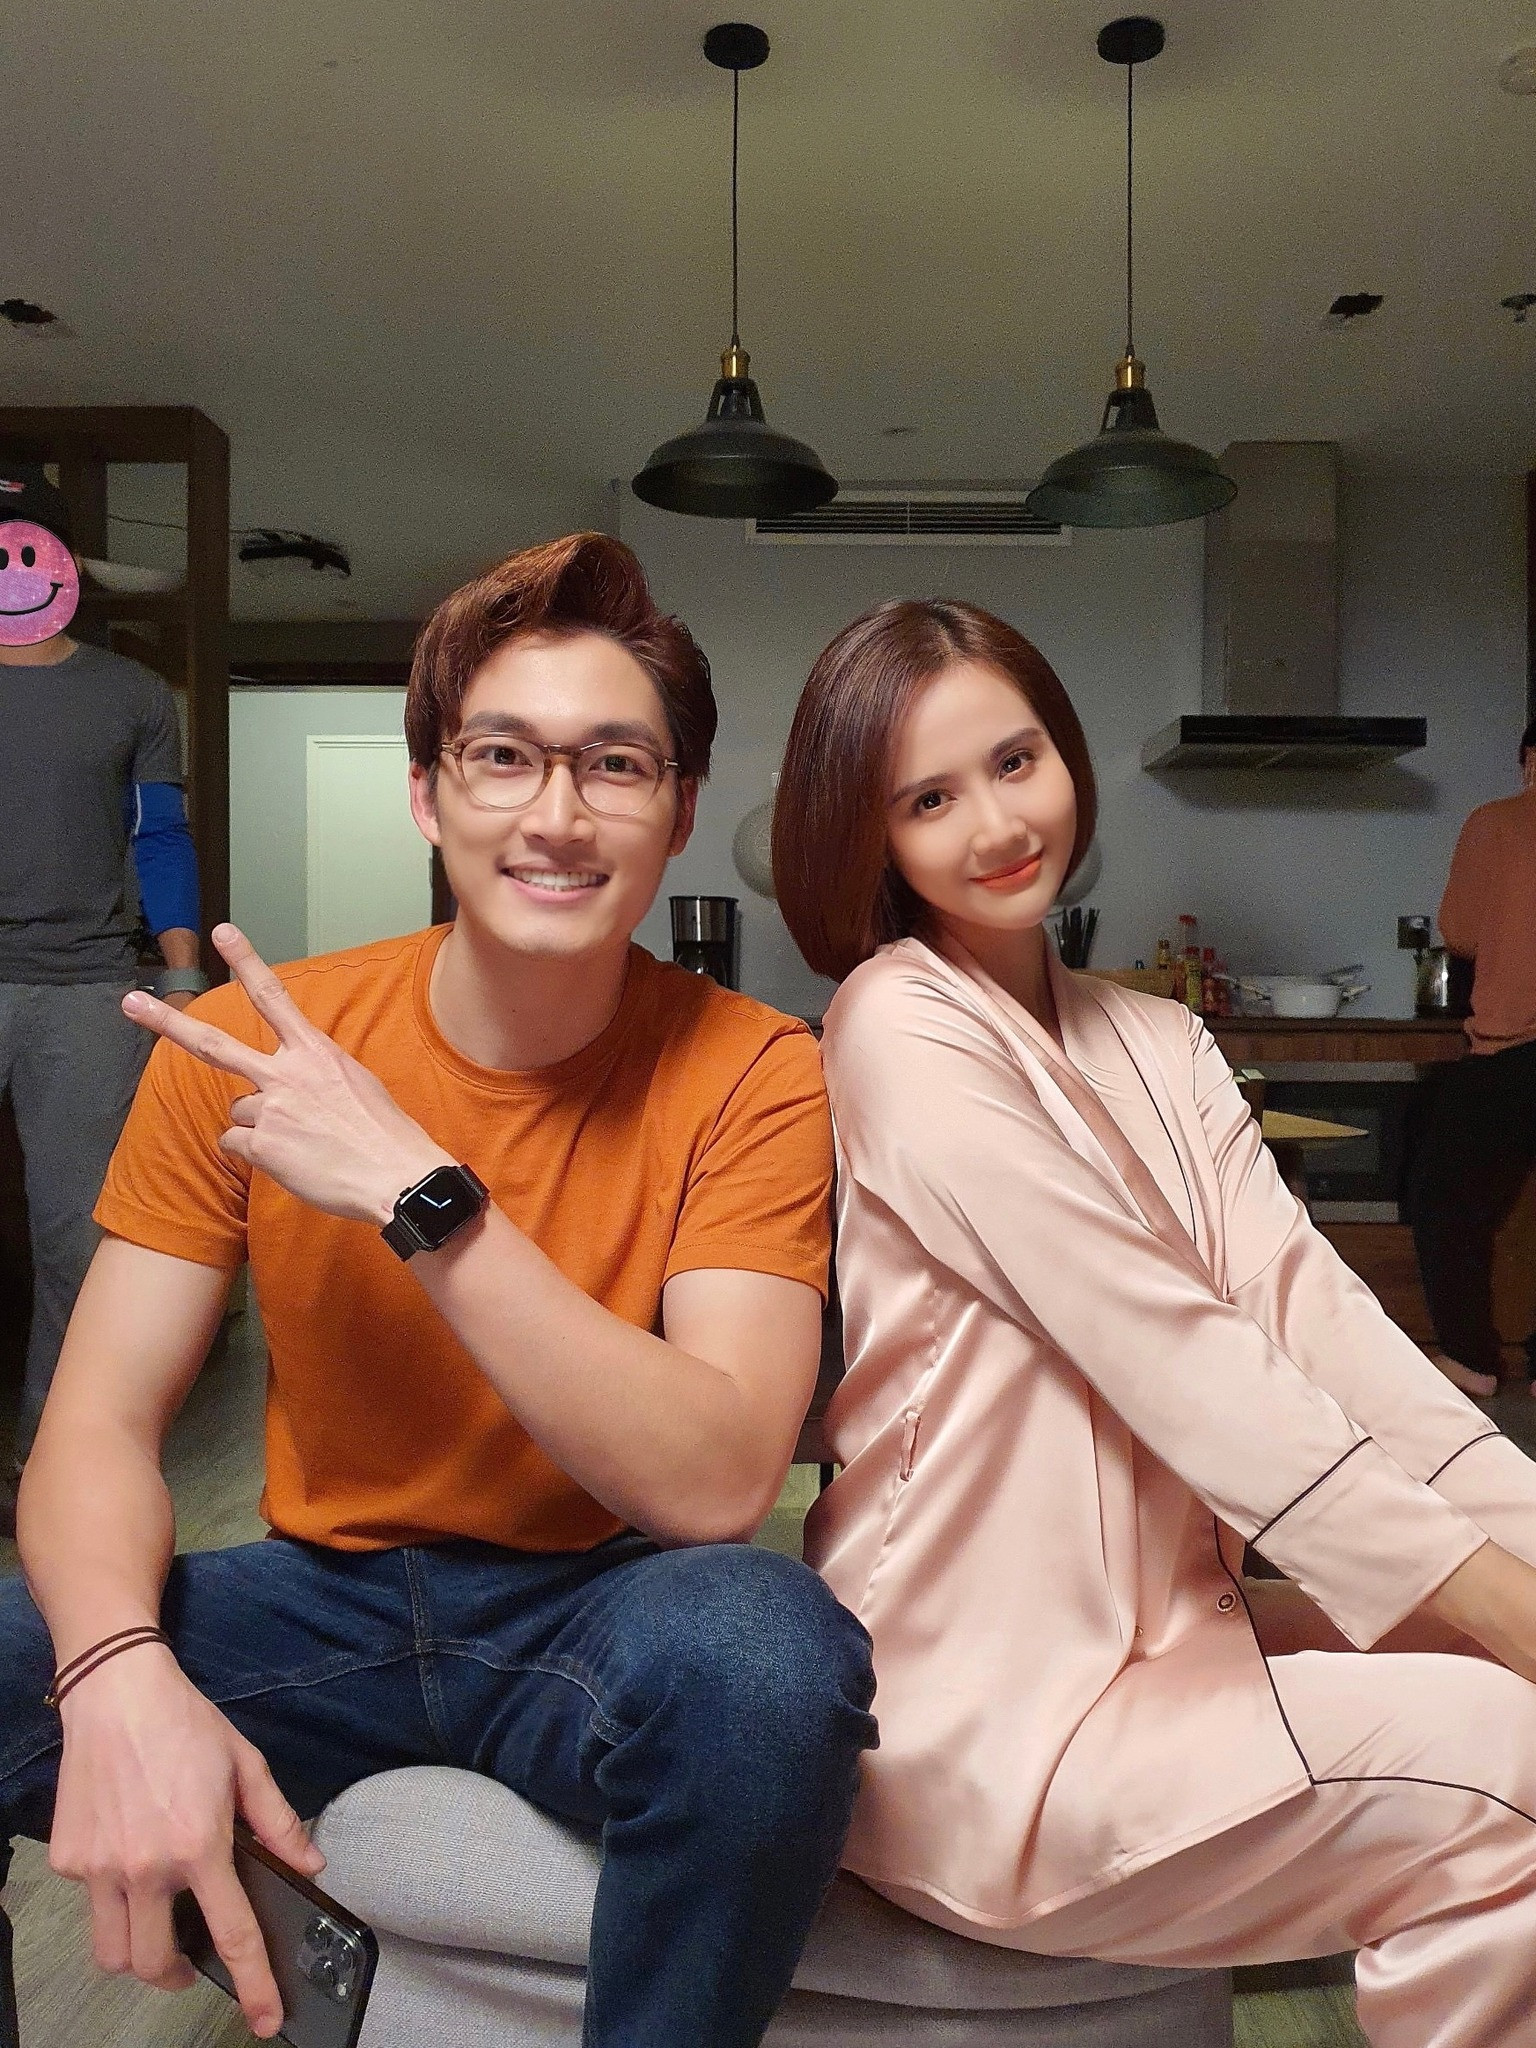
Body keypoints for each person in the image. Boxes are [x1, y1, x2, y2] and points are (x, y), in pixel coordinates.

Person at [0, 533, 876, 2048]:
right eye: (503, 757)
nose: (557, 814)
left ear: (678, 811)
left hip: (601, 1603)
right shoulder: (257, 1051)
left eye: (616, 765)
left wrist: (421, 1194)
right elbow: (95, 1426)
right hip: (321, 1599)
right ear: (428, 793)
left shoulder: (755, 1068)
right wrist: (118, 1667)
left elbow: (721, 1477)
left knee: (764, 1648)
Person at [772, 596, 1536, 2048]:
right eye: (929, 798)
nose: (999, 822)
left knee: (1503, 1667)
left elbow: (1323, 1328)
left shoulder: (1162, 1038)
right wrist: (1502, 1598)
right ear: (868, 836)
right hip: (987, 1723)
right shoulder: (894, 1024)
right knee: (1514, 1760)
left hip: (1177, 1640)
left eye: (1016, 761)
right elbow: (1174, 1357)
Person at [0, 465, 205, 1533]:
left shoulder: (131, 693)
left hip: (87, 988)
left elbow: (160, 834)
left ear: (63, 559)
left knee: (79, 1243)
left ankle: (46, 1462)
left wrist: (183, 971)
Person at [1409, 718, 1536, 1399]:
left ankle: (1472, 1359)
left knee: (1445, 1201)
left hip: (1514, 1049)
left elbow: (1458, 930)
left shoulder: (1498, 822)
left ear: (1529, 760)